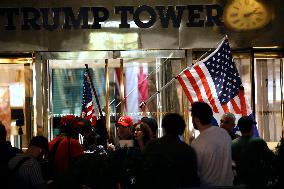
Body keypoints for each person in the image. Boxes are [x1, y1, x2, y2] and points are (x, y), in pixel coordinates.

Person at [141, 113, 200, 188]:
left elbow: (143, 171)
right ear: (182, 128)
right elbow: (192, 179)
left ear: (164, 127)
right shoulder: (187, 150)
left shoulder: (152, 145)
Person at [190, 102, 234, 187]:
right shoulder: (224, 134)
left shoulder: (196, 144)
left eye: (192, 116)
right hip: (229, 186)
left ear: (196, 119)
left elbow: (195, 173)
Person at [232, 116, 275, 188]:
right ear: (252, 127)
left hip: (239, 181)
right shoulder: (259, 142)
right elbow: (270, 158)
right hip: (257, 181)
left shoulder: (233, 143)